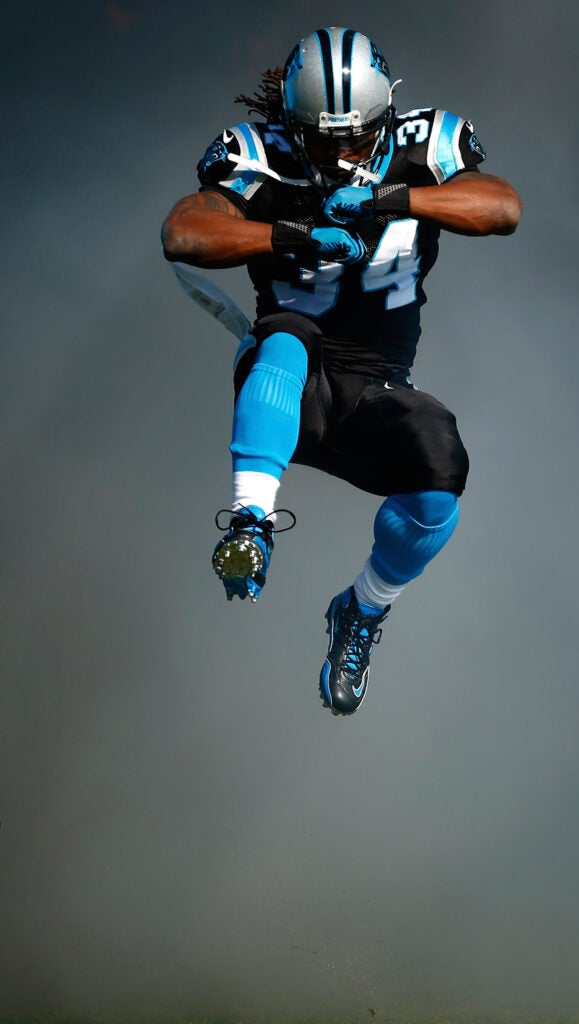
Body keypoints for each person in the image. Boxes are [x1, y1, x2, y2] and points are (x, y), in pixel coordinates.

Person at [161, 27, 522, 717]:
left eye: (354, 140)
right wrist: (286, 234)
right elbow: (184, 230)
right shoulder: (257, 153)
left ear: (384, 119)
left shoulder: (424, 144)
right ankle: (249, 526)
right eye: (321, 141)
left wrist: (395, 200)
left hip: (377, 383)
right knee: (290, 337)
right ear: (293, 127)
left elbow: (499, 206)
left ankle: (360, 609)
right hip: (287, 379)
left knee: (440, 476)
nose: (338, 156)